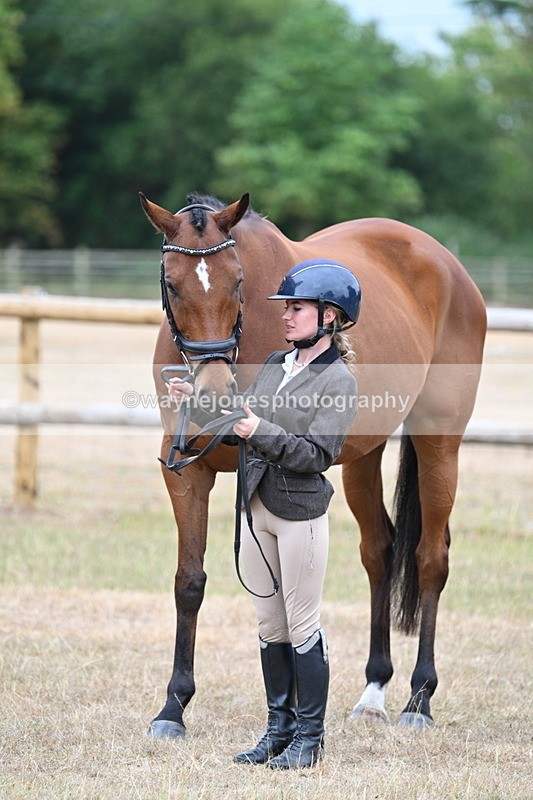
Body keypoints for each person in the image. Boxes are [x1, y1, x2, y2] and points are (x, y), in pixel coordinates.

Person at [167, 259, 361, 769]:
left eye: (297, 308)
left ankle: (309, 739)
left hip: (299, 514)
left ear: (331, 317)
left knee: (302, 622)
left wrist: (258, 432)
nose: (286, 316)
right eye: (286, 308)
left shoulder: (339, 381)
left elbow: (317, 455)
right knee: (269, 624)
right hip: (256, 508)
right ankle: (278, 730)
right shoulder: (275, 364)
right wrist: (198, 400)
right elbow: (239, 423)